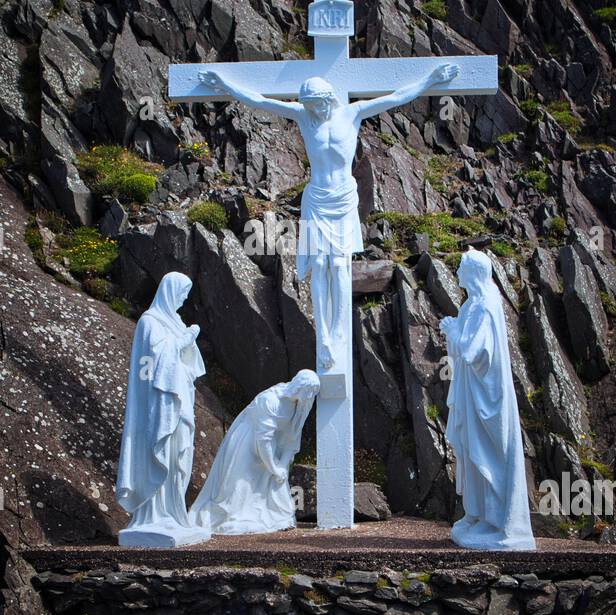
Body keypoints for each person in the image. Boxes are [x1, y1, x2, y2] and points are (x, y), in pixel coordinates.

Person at [197, 63, 458, 371]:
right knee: (320, 266)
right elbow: (261, 100)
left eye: (317, 105)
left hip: (344, 199)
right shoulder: (304, 117)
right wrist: (226, 85)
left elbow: (399, 95)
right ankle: (324, 336)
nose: (314, 111)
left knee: (339, 265)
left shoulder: (354, 113)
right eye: (309, 106)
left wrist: (431, 79)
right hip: (317, 200)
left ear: (328, 99)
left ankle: (339, 332)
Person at [439, 250, 536, 550]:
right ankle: (478, 515)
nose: (456, 276)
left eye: (460, 271)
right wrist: (454, 332)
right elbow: (463, 352)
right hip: (474, 391)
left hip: (487, 398)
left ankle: (496, 522)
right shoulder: (473, 303)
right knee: (473, 454)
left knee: (486, 455)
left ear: (473, 274)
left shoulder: (483, 306)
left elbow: (471, 351)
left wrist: (452, 330)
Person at [115, 272, 211, 547]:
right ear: (169, 292)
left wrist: (187, 340)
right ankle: (153, 514)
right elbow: (153, 361)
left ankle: (172, 510)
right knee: (162, 452)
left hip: (180, 399)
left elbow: (193, 368)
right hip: (159, 404)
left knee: (179, 456)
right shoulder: (149, 322)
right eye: (181, 294)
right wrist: (184, 339)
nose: (183, 300)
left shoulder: (175, 322)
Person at [189, 370, 321, 535]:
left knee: (276, 490)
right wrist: (273, 467)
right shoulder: (270, 400)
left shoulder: (299, 406)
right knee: (240, 487)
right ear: (300, 387)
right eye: (308, 393)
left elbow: (291, 439)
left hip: (273, 448)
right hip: (248, 443)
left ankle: (270, 516)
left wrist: (281, 466)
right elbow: (263, 441)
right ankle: (234, 516)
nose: (310, 398)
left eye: (312, 395)